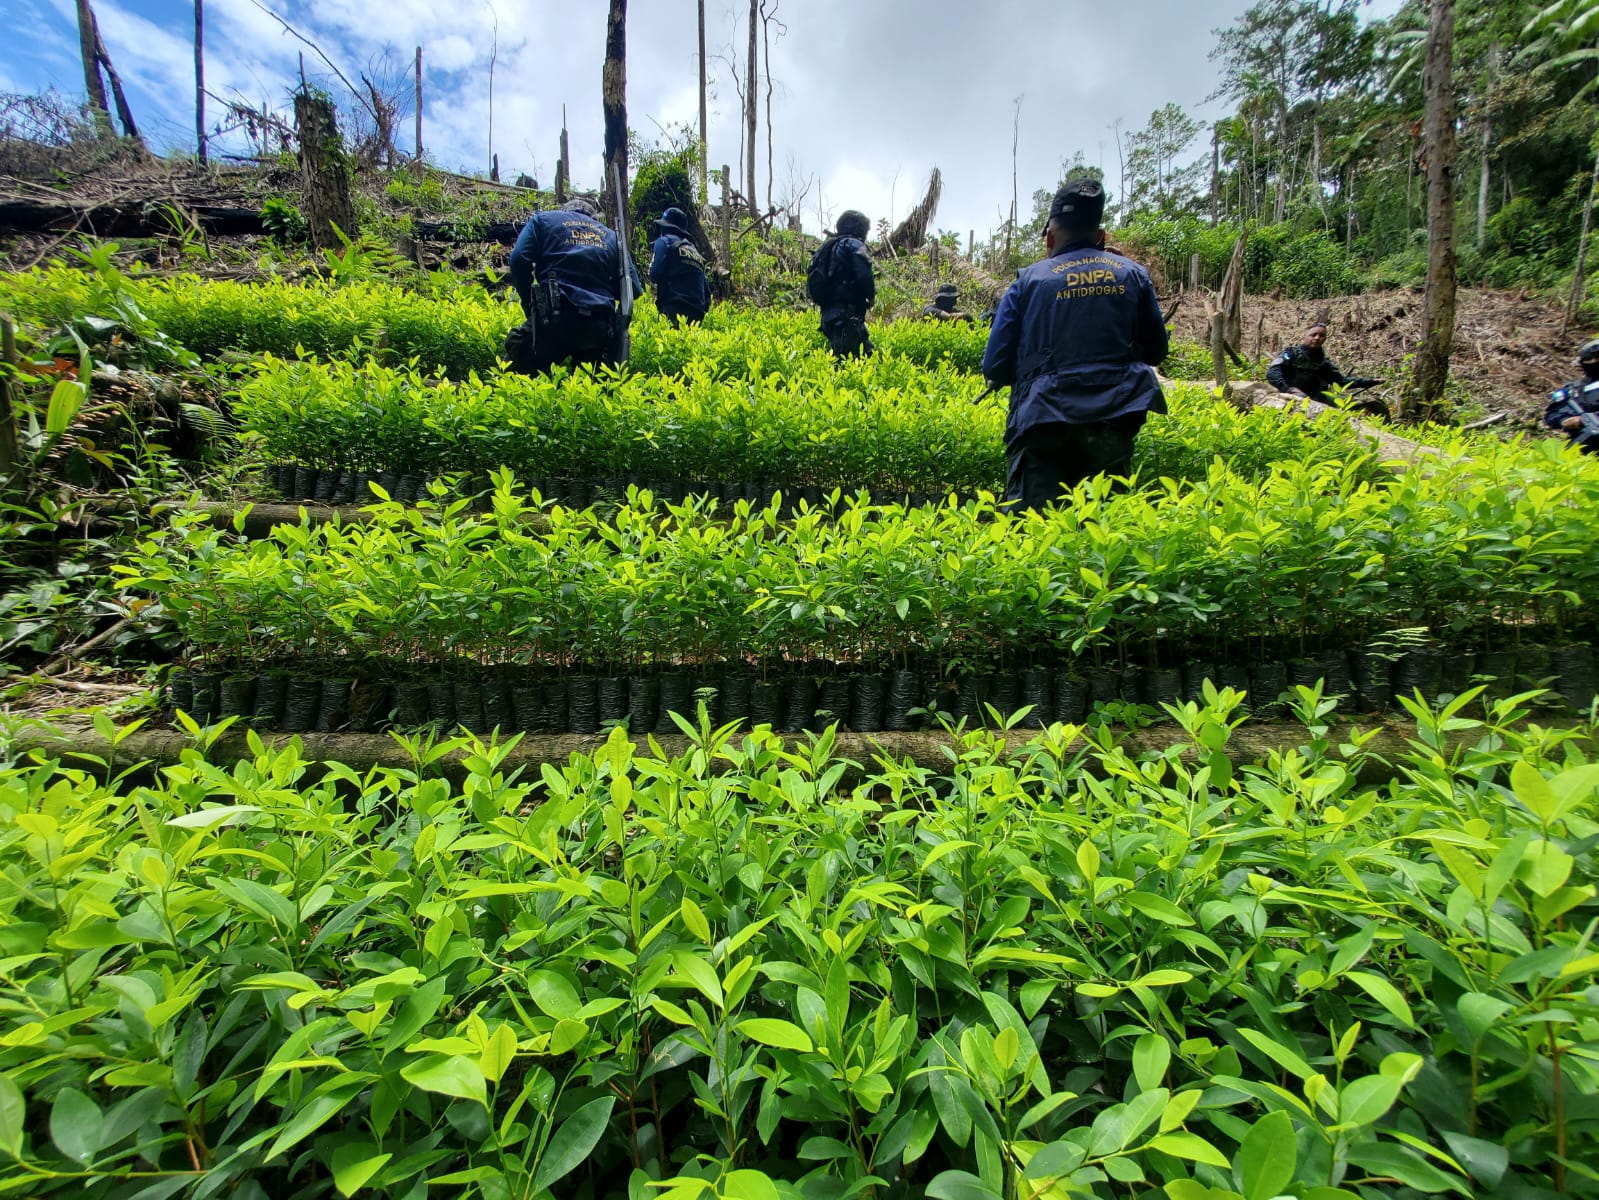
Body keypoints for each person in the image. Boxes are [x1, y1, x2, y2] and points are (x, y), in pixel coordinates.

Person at [980, 177, 1168, 511]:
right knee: (1103, 531)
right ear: (1100, 236)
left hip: (1043, 421)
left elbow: (994, 364)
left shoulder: (1029, 281)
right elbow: (1156, 351)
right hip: (1114, 420)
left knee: (1036, 533)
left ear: (1050, 236)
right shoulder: (1133, 274)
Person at [505, 196, 641, 375]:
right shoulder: (612, 237)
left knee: (515, 362)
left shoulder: (544, 220)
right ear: (593, 218)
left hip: (553, 319)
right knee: (591, 392)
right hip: (598, 329)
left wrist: (529, 304)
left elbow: (518, 259)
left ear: (565, 211)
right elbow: (635, 289)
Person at [806, 209, 876, 358]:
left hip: (829, 316)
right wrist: (871, 296)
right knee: (844, 363)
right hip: (846, 316)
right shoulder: (853, 244)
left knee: (867, 352)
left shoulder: (828, 247)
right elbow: (864, 275)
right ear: (860, 228)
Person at [1267, 321, 1379, 402]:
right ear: (1305, 337)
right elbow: (1272, 373)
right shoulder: (1291, 354)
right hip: (1287, 395)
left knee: (1346, 404)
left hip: (1316, 398)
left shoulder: (1323, 362)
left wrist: (1370, 381)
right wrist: (1288, 389)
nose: (1317, 338)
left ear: (1325, 338)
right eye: (1313, 335)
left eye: (1321, 335)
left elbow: (1341, 382)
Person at [648, 207, 712, 327]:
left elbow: (654, 274)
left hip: (673, 310)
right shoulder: (694, 250)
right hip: (697, 315)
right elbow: (707, 296)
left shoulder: (663, 242)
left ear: (665, 227)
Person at [1544, 338, 1599, 454]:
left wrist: (1592, 417)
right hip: (1584, 446)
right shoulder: (1573, 390)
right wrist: (1564, 421)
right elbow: (1552, 414)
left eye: (1598, 358)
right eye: (1589, 359)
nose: (1594, 362)